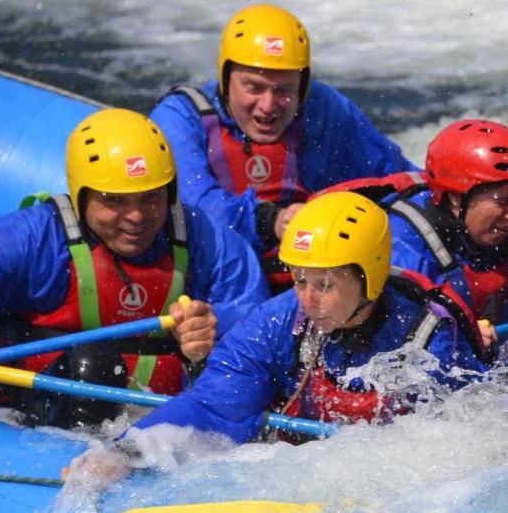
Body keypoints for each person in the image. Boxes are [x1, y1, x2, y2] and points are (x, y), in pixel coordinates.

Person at [109, 191, 488, 448]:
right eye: (300, 279)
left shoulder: (429, 338)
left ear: (369, 277)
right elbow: (212, 406)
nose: (307, 299)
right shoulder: (282, 319)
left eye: (325, 284)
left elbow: (457, 445)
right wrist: (126, 450)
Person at [0, 108, 267, 429]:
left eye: (151, 197)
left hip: (157, 427)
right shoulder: (30, 239)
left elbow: (260, 356)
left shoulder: (209, 241)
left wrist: (206, 351)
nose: (136, 216)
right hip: (37, 414)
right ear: (82, 196)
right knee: (92, 367)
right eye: (114, 200)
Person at [149, 3, 418, 276]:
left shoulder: (322, 108)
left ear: (302, 86)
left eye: (284, 90)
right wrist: (271, 221)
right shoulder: (179, 118)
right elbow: (194, 206)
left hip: (310, 278)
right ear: (225, 78)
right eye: (253, 87)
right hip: (217, 279)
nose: (268, 106)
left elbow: (400, 180)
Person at [388, 119, 508, 357]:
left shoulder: (506, 237)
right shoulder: (403, 250)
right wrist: (457, 338)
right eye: (502, 201)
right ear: (456, 198)